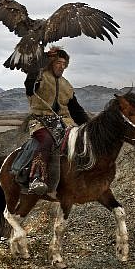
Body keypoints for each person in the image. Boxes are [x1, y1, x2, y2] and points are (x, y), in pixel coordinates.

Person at [24, 47, 89, 196]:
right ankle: (36, 178)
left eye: (64, 64)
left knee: (80, 140)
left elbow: (76, 110)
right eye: (58, 62)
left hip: (65, 123)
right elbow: (29, 85)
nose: (62, 66)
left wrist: (89, 126)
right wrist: (40, 61)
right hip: (40, 121)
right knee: (46, 140)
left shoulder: (67, 85)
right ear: (51, 62)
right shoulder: (39, 77)